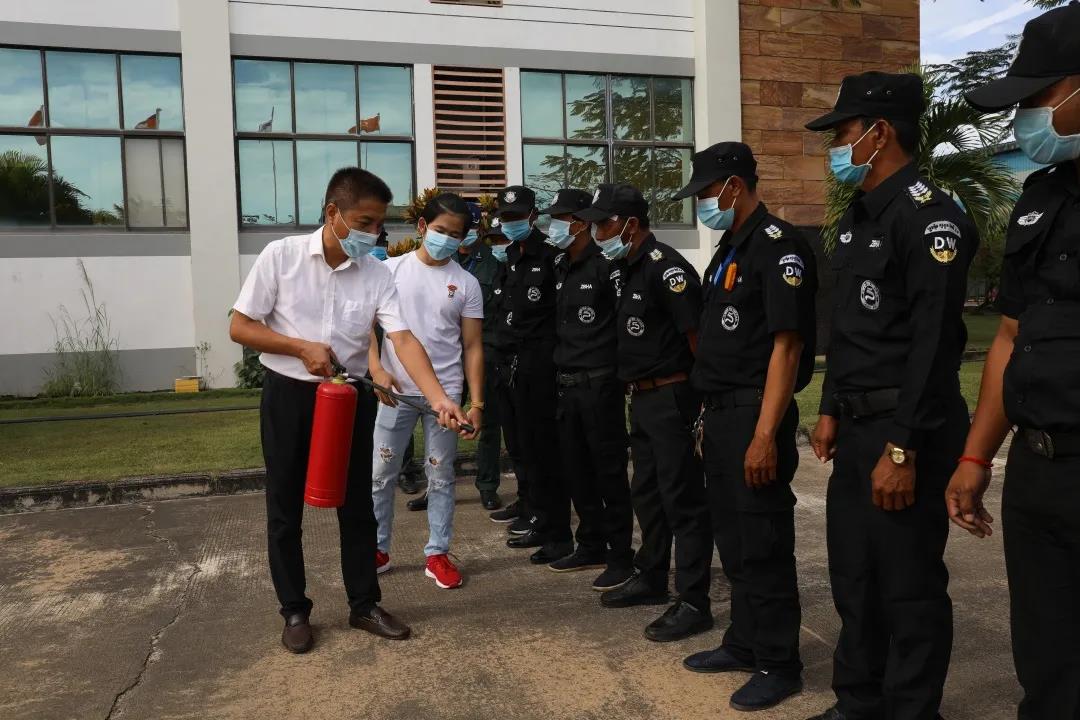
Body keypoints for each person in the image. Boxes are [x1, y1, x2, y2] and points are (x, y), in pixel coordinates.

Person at [229, 167, 470, 654]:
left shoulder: (377, 273)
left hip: (350, 397)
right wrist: (299, 347)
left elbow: (403, 339)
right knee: (285, 505)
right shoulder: (282, 256)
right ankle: (294, 610)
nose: (373, 233)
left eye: (379, 224)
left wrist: (440, 397)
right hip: (290, 395)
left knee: (358, 505)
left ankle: (364, 603)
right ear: (332, 212)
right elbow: (240, 326)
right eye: (364, 222)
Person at [804, 72, 978, 720]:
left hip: (908, 428)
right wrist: (828, 409)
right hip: (857, 428)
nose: (835, 147)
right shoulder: (859, 216)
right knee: (854, 575)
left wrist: (902, 448)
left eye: (843, 133)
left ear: (879, 133)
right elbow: (851, 332)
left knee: (908, 586)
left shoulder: (930, 217)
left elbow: (934, 345)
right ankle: (858, 701)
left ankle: (911, 710)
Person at [949, 6, 1080, 717]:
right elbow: (1009, 335)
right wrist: (977, 457)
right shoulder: (1041, 196)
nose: (1025, 117)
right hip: (1037, 469)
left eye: (1037, 97)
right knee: (1045, 655)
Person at [674, 142, 817, 711]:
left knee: (764, 544)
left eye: (707, 193)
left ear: (733, 186)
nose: (703, 204)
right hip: (722, 415)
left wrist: (763, 436)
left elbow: (788, 347)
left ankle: (779, 663)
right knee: (733, 543)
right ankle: (744, 641)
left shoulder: (779, 247)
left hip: (756, 415)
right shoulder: (729, 249)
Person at [578, 183, 714, 642]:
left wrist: (700, 403)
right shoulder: (625, 269)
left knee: (683, 500)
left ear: (630, 224)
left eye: (603, 224)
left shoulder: (666, 269)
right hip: (642, 397)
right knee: (648, 493)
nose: (596, 232)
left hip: (672, 397)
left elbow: (697, 341)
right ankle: (652, 575)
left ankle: (693, 600)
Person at [368, 192, 484, 589]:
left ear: (464, 238)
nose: (446, 239)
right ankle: (378, 549)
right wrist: (376, 369)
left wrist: (476, 402)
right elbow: (368, 328)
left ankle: (438, 553)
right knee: (381, 473)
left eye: (455, 234)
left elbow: (473, 346)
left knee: (441, 476)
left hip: (445, 400)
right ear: (422, 227)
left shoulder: (466, 283)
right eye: (439, 230)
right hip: (395, 392)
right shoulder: (389, 270)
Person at [543, 188, 635, 591]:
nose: (553, 226)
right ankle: (591, 543)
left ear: (579, 223)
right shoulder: (562, 264)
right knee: (576, 470)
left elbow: (621, 325)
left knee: (608, 473)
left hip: (599, 385)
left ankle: (621, 555)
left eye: (560, 219)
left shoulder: (606, 266)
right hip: (566, 385)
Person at [492, 186, 570, 565]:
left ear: (533, 215)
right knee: (522, 447)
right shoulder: (510, 256)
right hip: (511, 365)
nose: (511, 223)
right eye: (505, 217)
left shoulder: (551, 256)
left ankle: (552, 526)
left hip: (541, 366)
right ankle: (536, 514)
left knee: (544, 451)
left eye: (517, 216)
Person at [456, 202, 505, 512]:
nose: (465, 233)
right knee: (441, 419)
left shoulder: (493, 261)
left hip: (483, 351)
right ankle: (437, 484)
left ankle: (487, 485)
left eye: (471, 227)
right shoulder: (443, 260)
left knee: (486, 420)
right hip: (447, 353)